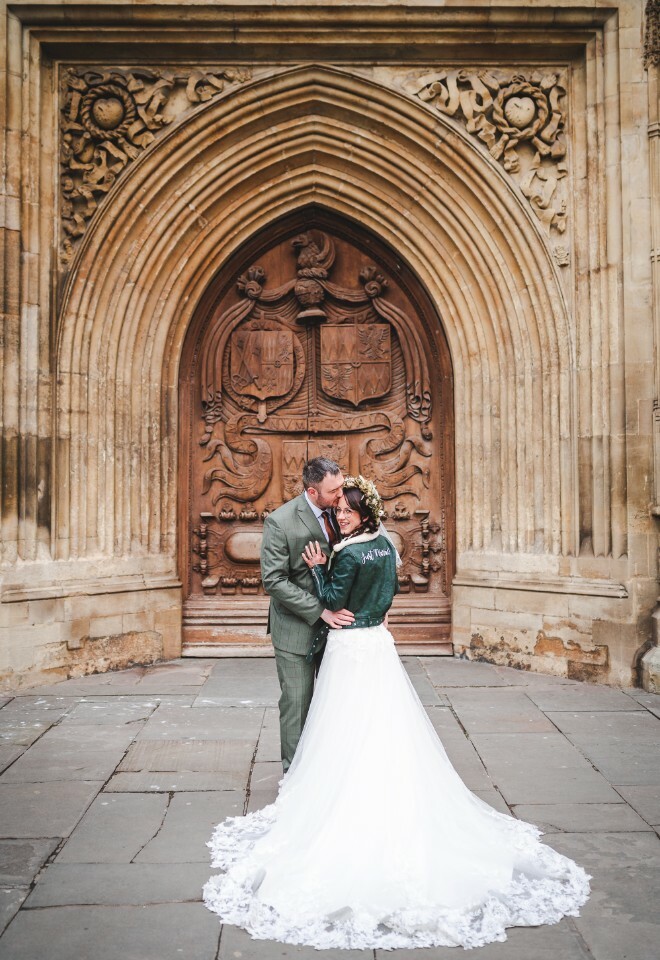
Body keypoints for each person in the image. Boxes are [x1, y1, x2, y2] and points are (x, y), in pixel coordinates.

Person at [205, 476, 590, 951]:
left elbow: (333, 600)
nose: (340, 514)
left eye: (347, 509)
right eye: (338, 506)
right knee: (383, 719)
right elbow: (387, 595)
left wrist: (322, 567)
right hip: (378, 646)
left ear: (362, 511)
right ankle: (377, 780)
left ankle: (337, 789)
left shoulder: (346, 551)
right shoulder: (387, 544)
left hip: (349, 645)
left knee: (343, 721)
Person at [260, 456, 355, 772]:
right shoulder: (281, 521)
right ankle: (294, 778)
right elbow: (273, 580)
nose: (341, 494)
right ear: (312, 493)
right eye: (333, 491)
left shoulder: (347, 512)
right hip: (296, 630)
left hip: (340, 633)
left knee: (336, 705)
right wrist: (320, 611)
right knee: (297, 705)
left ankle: (330, 773)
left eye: (341, 485)